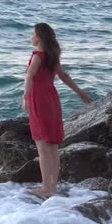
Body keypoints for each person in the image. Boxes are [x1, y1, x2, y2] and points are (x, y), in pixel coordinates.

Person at [22, 22, 92, 198]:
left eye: (33, 34)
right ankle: (53, 186)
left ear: (38, 37)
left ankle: (46, 188)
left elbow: (29, 76)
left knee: (42, 146)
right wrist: (80, 92)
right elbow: (63, 76)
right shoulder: (52, 56)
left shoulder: (38, 55)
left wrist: (25, 98)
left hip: (39, 98)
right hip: (52, 98)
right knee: (52, 145)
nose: (31, 37)